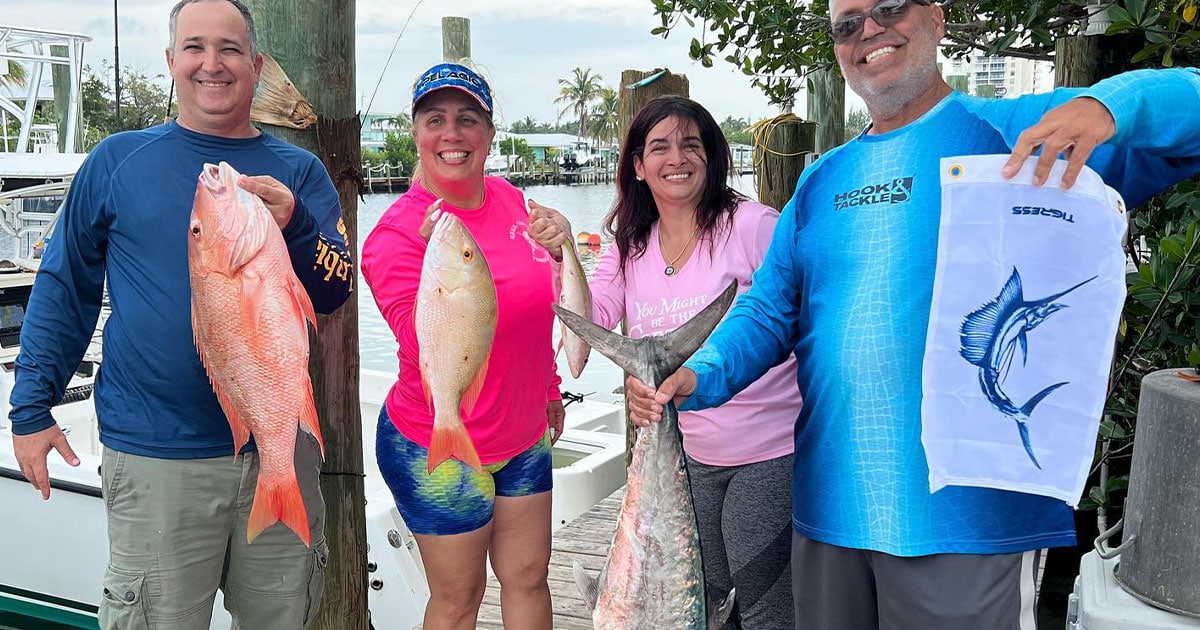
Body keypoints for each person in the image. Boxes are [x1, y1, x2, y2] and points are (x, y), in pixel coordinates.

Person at [629, 1, 1200, 628]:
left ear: (937, 17)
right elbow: (767, 311)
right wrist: (700, 373)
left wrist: (1110, 106)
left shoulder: (1021, 135)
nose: (870, 30)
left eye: (890, 7)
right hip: (830, 513)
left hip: (969, 519)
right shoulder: (821, 180)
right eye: (847, 24)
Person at [7, 0, 355, 627]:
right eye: (194, 47)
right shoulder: (116, 161)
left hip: (279, 447)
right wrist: (32, 407)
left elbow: (335, 288)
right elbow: (65, 289)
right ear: (171, 61)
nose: (211, 63)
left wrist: (297, 224)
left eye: (230, 49)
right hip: (156, 455)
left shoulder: (300, 172)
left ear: (256, 66)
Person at [530, 95, 801, 629]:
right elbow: (586, 331)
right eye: (659, 147)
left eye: (690, 145)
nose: (676, 158)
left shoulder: (754, 226)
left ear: (711, 156)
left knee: (765, 611)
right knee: (705, 607)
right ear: (637, 164)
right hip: (687, 452)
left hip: (769, 452)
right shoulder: (628, 247)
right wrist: (564, 253)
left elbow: (791, 314)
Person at [360, 61, 563, 630]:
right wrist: (436, 270)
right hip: (436, 441)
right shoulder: (394, 237)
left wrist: (549, 388)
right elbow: (420, 343)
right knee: (458, 598)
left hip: (523, 435)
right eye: (435, 120)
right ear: (416, 134)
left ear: (490, 134)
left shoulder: (514, 202)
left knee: (529, 577)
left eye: (468, 119)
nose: (452, 134)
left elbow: (538, 308)